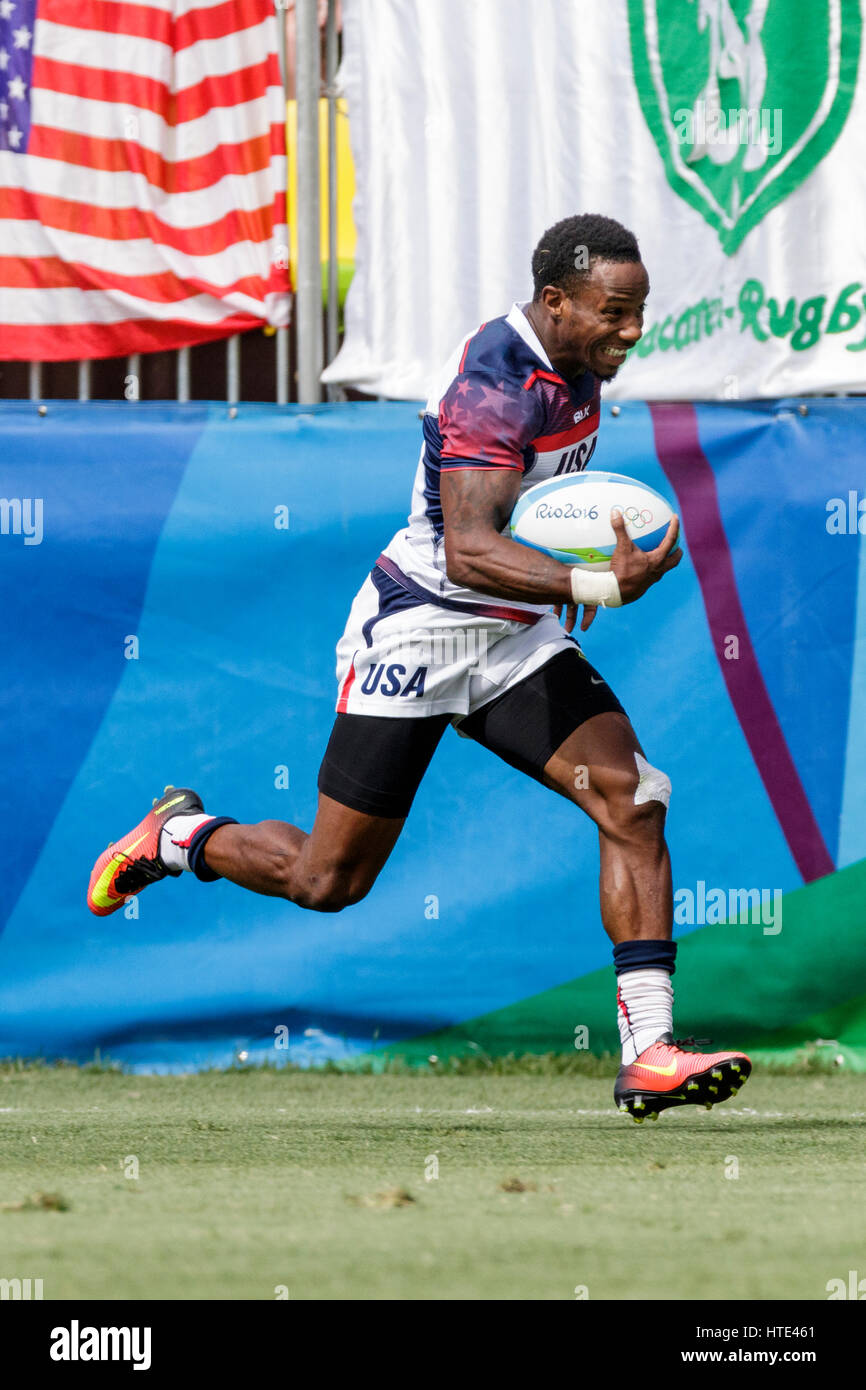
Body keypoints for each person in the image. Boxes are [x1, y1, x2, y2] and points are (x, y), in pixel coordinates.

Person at [87, 213, 750, 1121]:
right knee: (329, 882)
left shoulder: (577, 363)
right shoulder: (496, 387)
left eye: (639, 311)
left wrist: (566, 582)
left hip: (511, 636)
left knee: (633, 800)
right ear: (554, 302)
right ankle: (178, 836)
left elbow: (525, 527)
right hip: (423, 630)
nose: (631, 330)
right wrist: (594, 580)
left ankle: (649, 1052)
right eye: (615, 313)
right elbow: (473, 550)